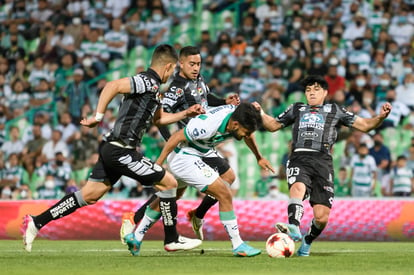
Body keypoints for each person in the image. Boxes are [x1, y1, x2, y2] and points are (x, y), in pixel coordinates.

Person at [22, 44, 204, 253]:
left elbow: (160, 119)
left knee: (89, 195)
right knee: (169, 182)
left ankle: (36, 222)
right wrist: (98, 117)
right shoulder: (146, 81)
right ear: (168, 66)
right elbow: (113, 85)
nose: (171, 75)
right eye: (172, 71)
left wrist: (186, 113)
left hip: (113, 149)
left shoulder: (154, 90)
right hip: (122, 151)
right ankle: (172, 239)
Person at [256, 75, 392, 257]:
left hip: (323, 162)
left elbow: (365, 125)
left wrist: (381, 117)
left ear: (326, 93)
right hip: (299, 156)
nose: (311, 93)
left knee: (321, 217)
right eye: (308, 90)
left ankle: (308, 239)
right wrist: (261, 112)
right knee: (297, 187)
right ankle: (294, 227)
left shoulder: (335, 110)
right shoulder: (297, 108)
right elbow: (272, 126)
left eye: (316, 90)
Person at [120, 46, 241, 242]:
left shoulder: (198, 80)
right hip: (188, 147)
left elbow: (206, 98)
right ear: (181, 64)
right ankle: (135, 219)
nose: (196, 68)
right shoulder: (176, 88)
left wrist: (223, 101)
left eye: (199, 64)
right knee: (173, 194)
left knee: (224, 178)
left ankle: (195, 215)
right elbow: (159, 118)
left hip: (202, 145)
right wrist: (172, 141)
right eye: (192, 64)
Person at [124, 103, 274, 257]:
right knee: (224, 194)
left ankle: (136, 237)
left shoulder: (237, 118)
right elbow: (176, 137)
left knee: (171, 196)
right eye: (245, 131)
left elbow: (248, 133)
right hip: (185, 157)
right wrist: (158, 166)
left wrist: (259, 157)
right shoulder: (206, 126)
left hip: (202, 151)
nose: (246, 135)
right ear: (235, 124)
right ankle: (238, 244)